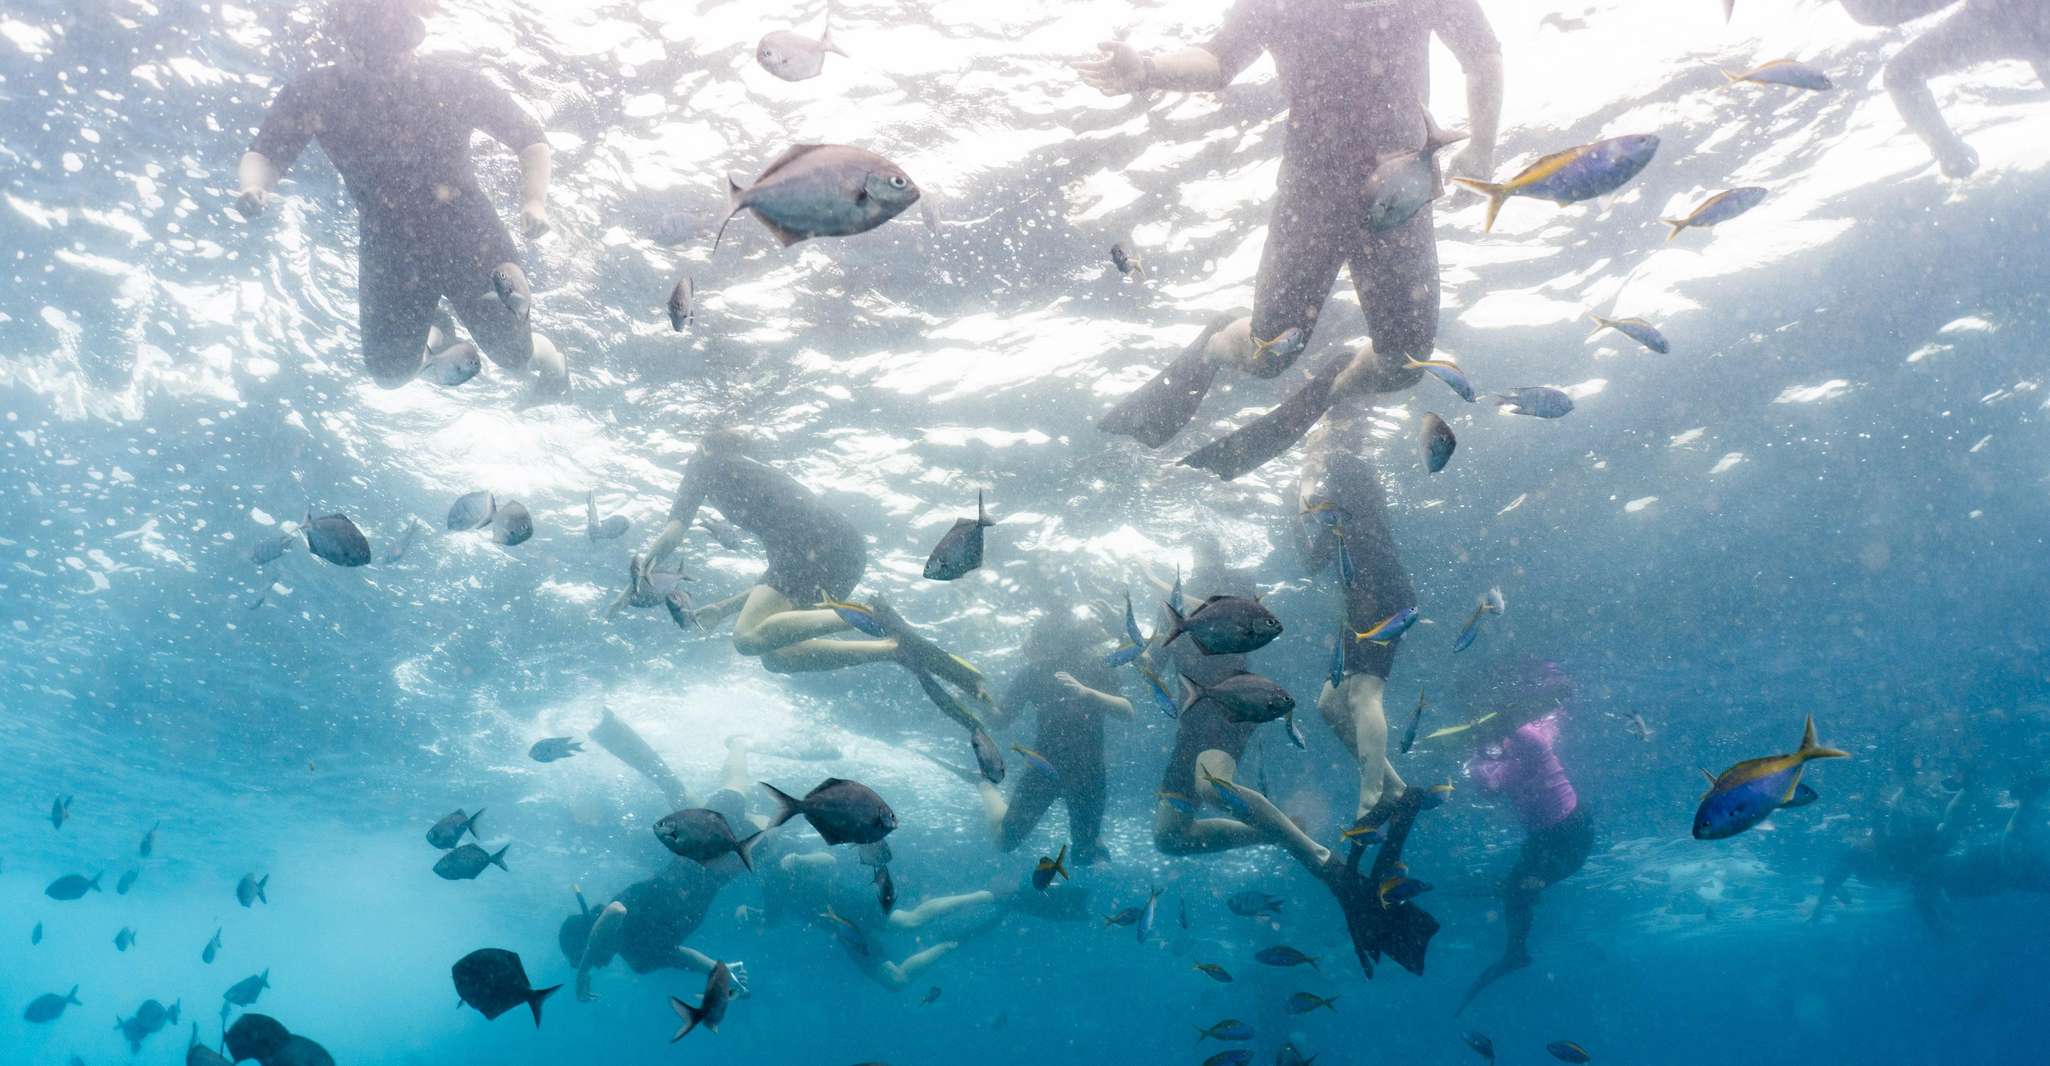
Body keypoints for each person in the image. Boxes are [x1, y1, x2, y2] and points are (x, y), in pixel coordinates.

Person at [1079, 0, 1504, 479]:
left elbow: (1482, 52)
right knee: (1266, 358)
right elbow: (1221, 60)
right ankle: (1220, 342)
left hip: (1399, 191)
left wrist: (1482, 148)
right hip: (1312, 192)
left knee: (1403, 366)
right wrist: (1147, 70)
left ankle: (1333, 386)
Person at [236, 0, 567, 392]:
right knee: (390, 373)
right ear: (348, 40)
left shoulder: (453, 82)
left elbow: (529, 138)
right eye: (374, 43)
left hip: (470, 234)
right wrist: (255, 186)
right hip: (390, 247)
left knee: (513, 356)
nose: (389, 56)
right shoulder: (315, 93)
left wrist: (533, 201)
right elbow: (267, 152)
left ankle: (551, 359)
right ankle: (437, 331)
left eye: (399, 38)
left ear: (416, 32)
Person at [613, 430, 992, 707]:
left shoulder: (704, 463)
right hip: (829, 550)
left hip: (812, 548)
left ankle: (870, 616)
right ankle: (893, 647)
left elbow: (675, 529)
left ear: (702, 445)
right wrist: (723, 608)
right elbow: (779, 581)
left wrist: (641, 575)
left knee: (746, 640)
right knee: (776, 657)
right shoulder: (747, 469)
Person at [1293, 414, 1415, 827]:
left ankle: (1372, 795)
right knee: (1330, 703)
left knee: (1365, 693)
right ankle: (1392, 786)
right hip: (1363, 603)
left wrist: (1308, 474)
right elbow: (1312, 561)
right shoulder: (1342, 506)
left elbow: (1311, 505)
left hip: (1383, 593)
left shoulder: (1352, 473)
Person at [1455, 659, 1594, 1015]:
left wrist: (1545, 690)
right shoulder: (1497, 755)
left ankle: (1523, 899)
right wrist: (1482, 745)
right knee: (1517, 893)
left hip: (1571, 834)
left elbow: (1538, 732)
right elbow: (1487, 785)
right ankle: (1516, 953)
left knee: (1522, 887)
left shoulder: (1533, 735)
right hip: (1542, 841)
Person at [973, 611, 1132, 865]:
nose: (1033, 647)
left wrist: (1086, 692)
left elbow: (1127, 710)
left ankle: (1091, 840)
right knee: (1005, 842)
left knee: (1084, 855)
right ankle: (986, 788)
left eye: (1038, 640)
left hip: (1087, 771)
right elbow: (1001, 720)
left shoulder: (1095, 665)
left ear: (1055, 640)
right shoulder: (1033, 672)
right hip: (1044, 766)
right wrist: (981, 699)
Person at [1841, 0, 2050, 178]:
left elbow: (1900, 76)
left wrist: (1945, 146)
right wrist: (1944, 146)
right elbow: (1900, 76)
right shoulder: (1990, 27)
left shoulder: (1990, 28)